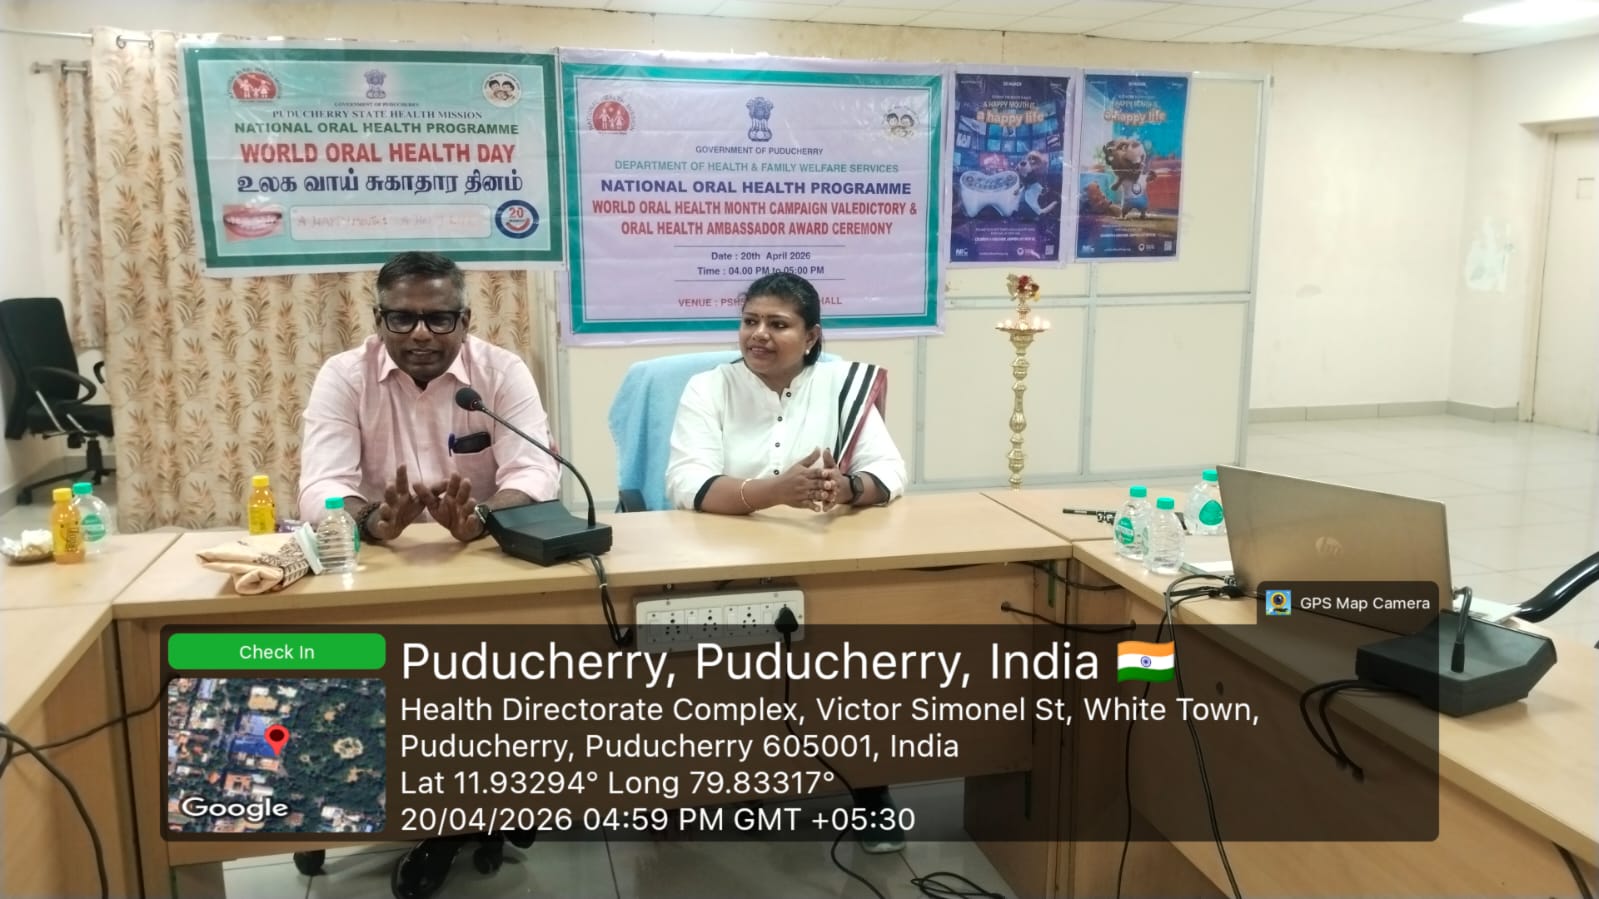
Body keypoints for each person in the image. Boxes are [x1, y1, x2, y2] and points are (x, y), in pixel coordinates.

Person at [664, 272, 909, 854]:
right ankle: (731, 776)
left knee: (855, 659)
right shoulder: (709, 389)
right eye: (750, 321)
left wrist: (848, 488)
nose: (759, 335)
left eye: (778, 324)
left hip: (821, 557)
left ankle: (869, 790)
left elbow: (890, 471)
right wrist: (774, 492)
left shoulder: (841, 387)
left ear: (812, 335)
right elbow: (687, 482)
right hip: (724, 558)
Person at [297, 250, 559, 544]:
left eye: (439, 319)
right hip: (381, 553)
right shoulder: (345, 377)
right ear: (379, 322)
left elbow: (534, 471)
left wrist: (483, 517)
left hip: (482, 548)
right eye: (402, 319)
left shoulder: (502, 373)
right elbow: (322, 485)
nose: (421, 334)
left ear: (464, 322)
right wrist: (371, 519)